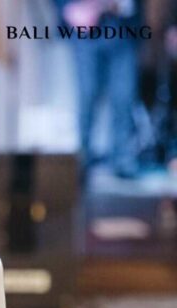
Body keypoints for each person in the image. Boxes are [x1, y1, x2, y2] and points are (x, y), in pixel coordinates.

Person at [56, 0, 144, 178]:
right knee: (86, 95)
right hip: (86, 28)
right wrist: (67, 8)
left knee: (124, 97)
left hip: (124, 25)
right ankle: (82, 157)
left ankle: (122, 159)